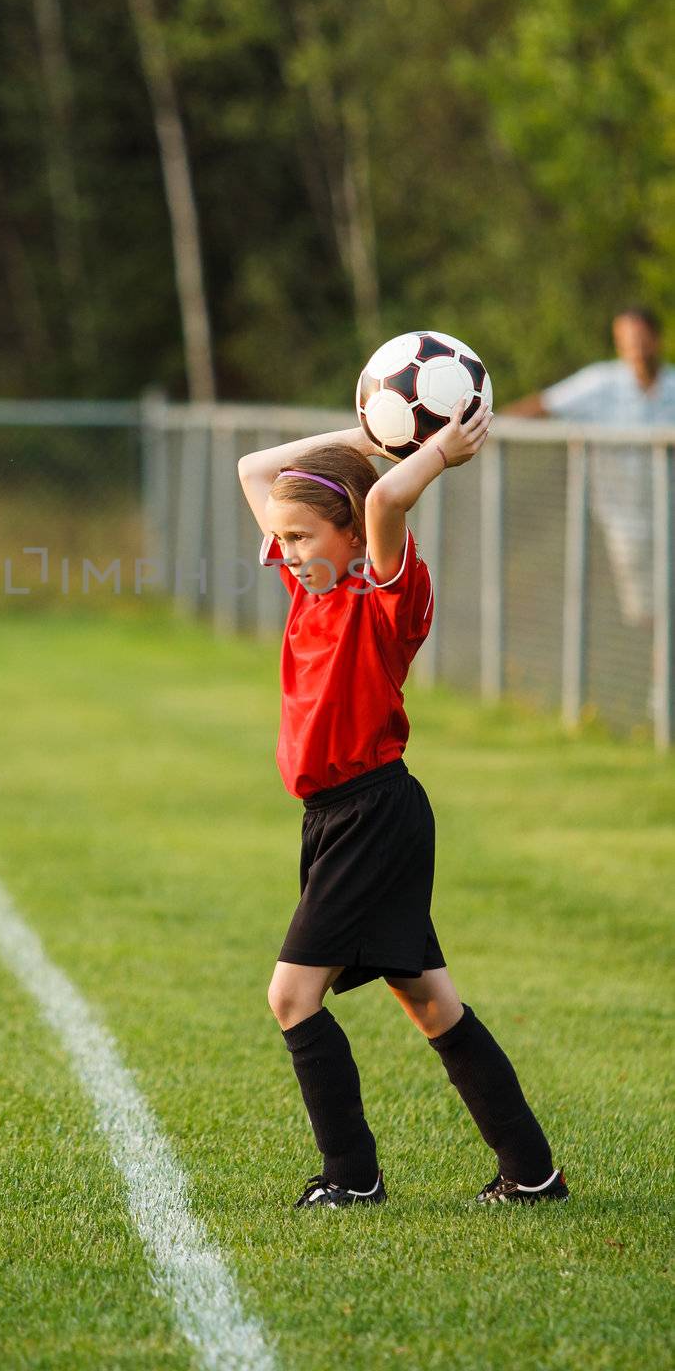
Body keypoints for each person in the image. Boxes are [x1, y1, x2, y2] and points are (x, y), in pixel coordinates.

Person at [236, 398, 570, 1208]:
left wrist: (431, 451)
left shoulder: (380, 594)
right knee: (428, 1001)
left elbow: (386, 499)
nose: (281, 552)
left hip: (372, 814)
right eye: (282, 538)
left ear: (350, 535)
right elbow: (253, 470)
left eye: (299, 537)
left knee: (290, 996)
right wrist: (366, 436)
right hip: (336, 820)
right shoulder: (309, 585)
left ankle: (352, 1177)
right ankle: (531, 1173)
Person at [503, 309, 675, 627]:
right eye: (625, 340)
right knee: (646, 613)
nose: (634, 347)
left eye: (639, 338)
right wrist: (484, 429)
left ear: (656, 339)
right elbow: (546, 404)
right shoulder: (600, 382)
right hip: (623, 520)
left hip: (669, 521)